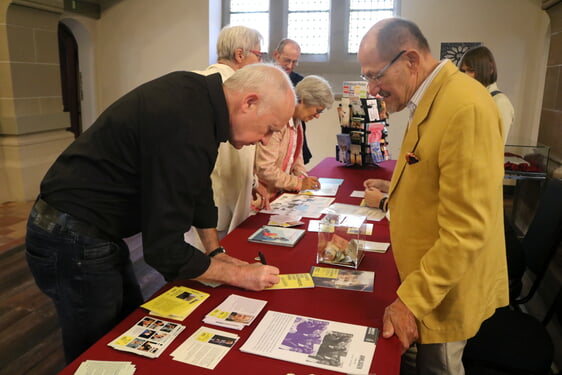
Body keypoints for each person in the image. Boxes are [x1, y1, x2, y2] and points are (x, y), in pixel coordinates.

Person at [25, 63, 295, 363]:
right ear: (249, 102)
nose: (267, 140)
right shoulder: (186, 120)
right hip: (71, 234)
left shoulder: (200, 99)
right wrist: (239, 275)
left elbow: (197, 184)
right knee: (94, 352)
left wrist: (214, 250)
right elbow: (164, 250)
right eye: (270, 129)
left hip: (92, 230)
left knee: (125, 334)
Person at [358, 18, 509, 374]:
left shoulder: (463, 106)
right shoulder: (430, 96)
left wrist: (410, 302)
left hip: (443, 291)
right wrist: (392, 187)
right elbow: (427, 169)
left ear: (410, 60)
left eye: (375, 76)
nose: (372, 88)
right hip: (420, 275)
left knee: (438, 368)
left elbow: (466, 230)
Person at [184, 25, 268, 250]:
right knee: (214, 259)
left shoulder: (202, 82)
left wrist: (253, 181)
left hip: (214, 194)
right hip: (216, 196)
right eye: (259, 55)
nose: (261, 63)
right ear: (240, 55)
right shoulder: (228, 87)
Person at [254, 75, 334, 203]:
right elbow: (265, 169)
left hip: (276, 194)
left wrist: (303, 177)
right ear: (303, 100)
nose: (318, 116)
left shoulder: (298, 122)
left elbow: (296, 157)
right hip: (260, 197)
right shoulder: (277, 121)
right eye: (317, 110)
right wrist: (298, 183)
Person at [458, 45, 515, 143]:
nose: (465, 75)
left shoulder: (500, 102)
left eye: (471, 71)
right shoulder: (470, 98)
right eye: (463, 71)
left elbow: (496, 146)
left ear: (490, 69)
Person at [273, 38, 313, 165]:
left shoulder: (301, 82)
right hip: (273, 143)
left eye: (294, 62)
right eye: (287, 60)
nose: (290, 66)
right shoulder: (264, 78)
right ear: (276, 55)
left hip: (295, 141)